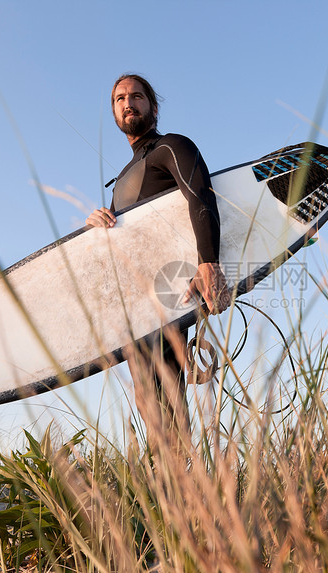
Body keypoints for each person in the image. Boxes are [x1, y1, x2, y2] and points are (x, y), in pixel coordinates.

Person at [85, 73, 231, 450]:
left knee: (165, 393)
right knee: (147, 400)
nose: (128, 103)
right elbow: (124, 247)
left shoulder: (172, 146)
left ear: (152, 106)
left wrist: (209, 263)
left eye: (136, 96)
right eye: (119, 99)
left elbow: (202, 197)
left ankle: (181, 489)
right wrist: (97, 228)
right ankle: (167, 489)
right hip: (136, 303)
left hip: (172, 291)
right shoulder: (121, 181)